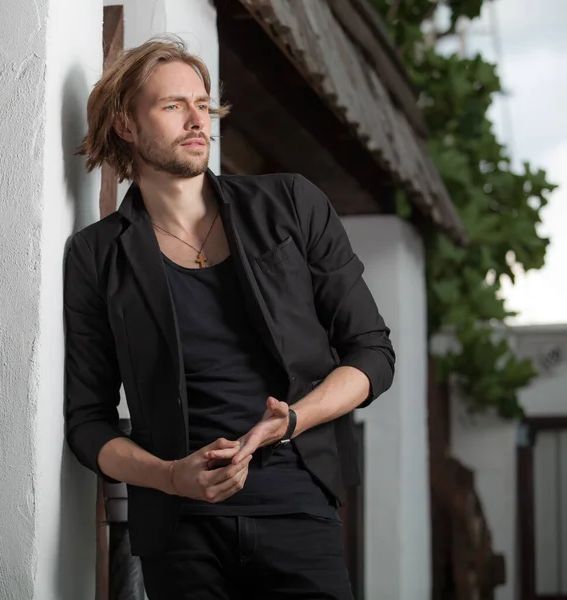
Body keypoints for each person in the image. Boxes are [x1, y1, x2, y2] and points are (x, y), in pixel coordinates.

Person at [65, 35, 395, 600]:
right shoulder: (97, 255)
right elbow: (87, 424)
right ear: (124, 124)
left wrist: (291, 419)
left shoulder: (292, 205)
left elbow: (372, 354)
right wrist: (171, 476)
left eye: (202, 103)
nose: (198, 120)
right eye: (173, 106)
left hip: (299, 507)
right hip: (178, 529)